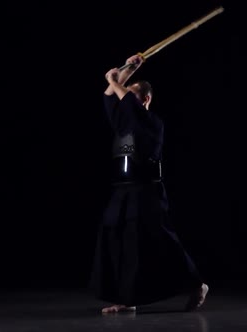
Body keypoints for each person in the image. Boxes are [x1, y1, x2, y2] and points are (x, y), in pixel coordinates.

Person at [89, 54, 209, 314]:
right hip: (123, 190)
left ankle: (197, 283)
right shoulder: (123, 120)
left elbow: (124, 98)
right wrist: (130, 69)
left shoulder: (153, 123)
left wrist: (115, 79)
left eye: (132, 95)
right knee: (120, 241)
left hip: (147, 191)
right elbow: (111, 96)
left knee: (159, 239)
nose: (126, 98)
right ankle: (127, 298)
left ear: (146, 99)